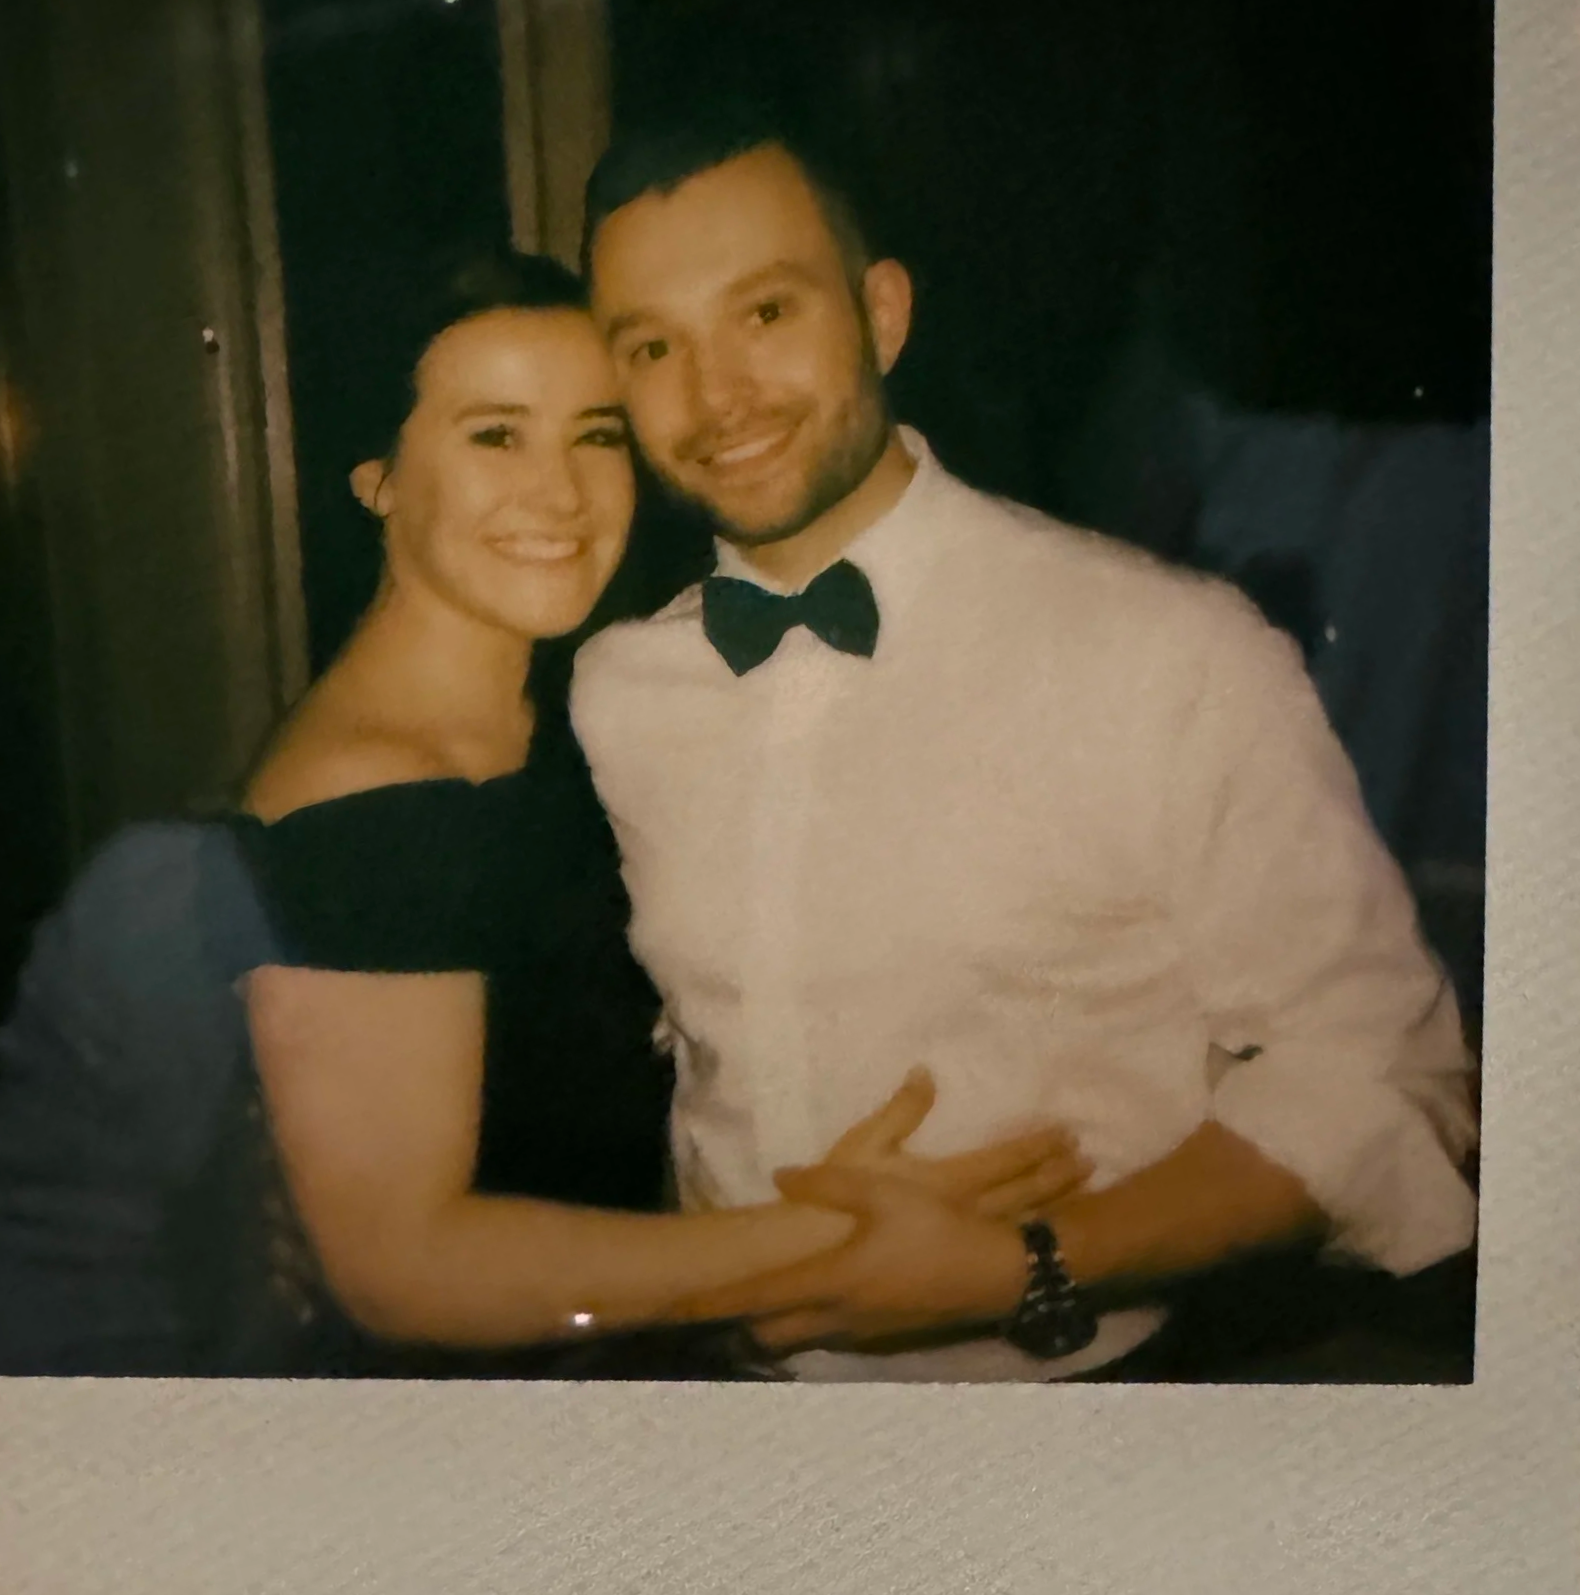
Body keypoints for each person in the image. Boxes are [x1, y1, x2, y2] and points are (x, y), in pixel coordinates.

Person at [0, 249, 1083, 1380]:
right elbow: (404, 1265)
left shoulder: (551, 712)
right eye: (495, 434)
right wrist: (837, 1240)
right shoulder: (376, 799)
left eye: (595, 434)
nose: (560, 493)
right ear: (378, 475)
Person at [568, 101, 1481, 1383]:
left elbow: (1379, 1069)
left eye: (765, 313)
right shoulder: (618, 689)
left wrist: (1023, 1263)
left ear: (880, 314)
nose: (716, 394)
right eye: (653, 344)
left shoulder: (1167, 653)